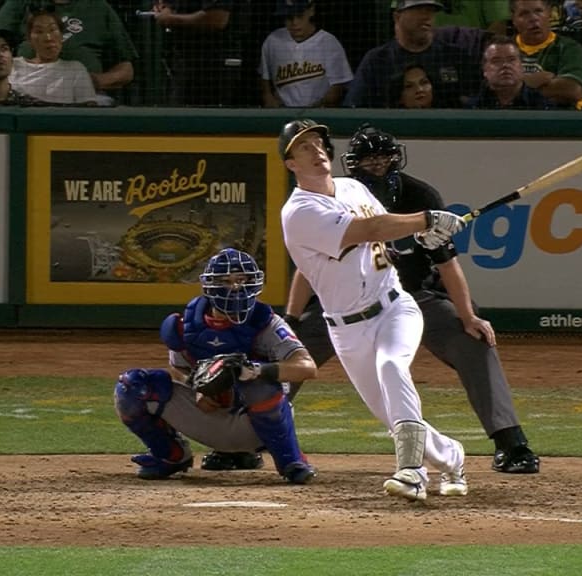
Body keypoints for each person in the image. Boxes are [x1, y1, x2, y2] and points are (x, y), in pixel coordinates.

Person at [288, 124, 540, 477]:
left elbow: (448, 263)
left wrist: (468, 316)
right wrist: (292, 319)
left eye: (383, 158)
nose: (376, 166)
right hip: (343, 310)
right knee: (287, 353)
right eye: (368, 159)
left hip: (412, 296)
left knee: (472, 341)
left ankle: (510, 443)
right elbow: (315, 264)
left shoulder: (409, 193)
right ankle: (251, 439)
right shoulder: (321, 202)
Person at [278, 118, 470, 501]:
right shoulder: (298, 212)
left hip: (395, 308)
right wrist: (428, 218)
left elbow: (386, 230)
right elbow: (367, 230)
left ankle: (412, 472)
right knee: (390, 413)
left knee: (391, 366)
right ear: (290, 163)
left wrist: (422, 234)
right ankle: (452, 456)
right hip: (345, 329)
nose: (317, 152)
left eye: (319, 144)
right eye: (304, 148)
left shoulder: (352, 187)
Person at [113, 248, 318, 485]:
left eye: (242, 280)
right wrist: (198, 386)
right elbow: (178, 370)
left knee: (259, 385)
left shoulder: (266, 322)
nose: (235, 288)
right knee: (132, 385)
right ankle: (170, 455)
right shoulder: (186, 325)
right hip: (208, 415)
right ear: (211, 285)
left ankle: (291, 461)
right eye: (226, 281)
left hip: (254, 424)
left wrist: (256, 370)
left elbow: (306, 367)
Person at [344, 0, 483, 108]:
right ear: (397, 17)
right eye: (418, 10)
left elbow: (477, 103)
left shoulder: (455, 56)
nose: (426, 16)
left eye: (430, 11)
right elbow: (354, 107)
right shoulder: (377, 60)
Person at [0, 0, 136, 99]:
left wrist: (92, 81)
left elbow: (127, 70)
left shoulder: (98, 6)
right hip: (25, 96)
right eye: (39, 32)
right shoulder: (21, 4)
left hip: (85, 97)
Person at [151, 0, 250, 106]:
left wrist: (170, 19)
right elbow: (173, 6)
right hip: (185, 64)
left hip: (216, 69)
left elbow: (217, 19)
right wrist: (166, 8)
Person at [258, 0, 353, 108]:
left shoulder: (328, 42)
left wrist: (320, 107)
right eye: (288, 17)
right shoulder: (273, 40)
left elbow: (338, 84)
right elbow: (264, 76)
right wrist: (268, 97)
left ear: (311, 10)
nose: (294, 22)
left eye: (299, 16)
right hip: (283, 112)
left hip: (319, 112)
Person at [510, 0, 582, 109]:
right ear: (514, 19)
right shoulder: (504, 49)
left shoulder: (569, 48)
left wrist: (514, 88)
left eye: (538, 11)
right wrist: (531, 81)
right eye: (524, 13)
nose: (533, 18)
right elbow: (490, 89)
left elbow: (574, 90)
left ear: (549, 13)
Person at [8, 9, 96, 105]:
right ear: (29, 39)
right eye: (39, 31)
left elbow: (88, 110)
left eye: (53, 30)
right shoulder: (13, 65)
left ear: (61, 36)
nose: (48, 38)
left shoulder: (75, 69)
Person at [470, 36, 554, 109]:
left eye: (511, 60)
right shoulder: (473, 107)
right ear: (484, 70)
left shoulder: (542, 106)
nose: (505, 65)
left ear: (521, 66)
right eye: (497, 61)